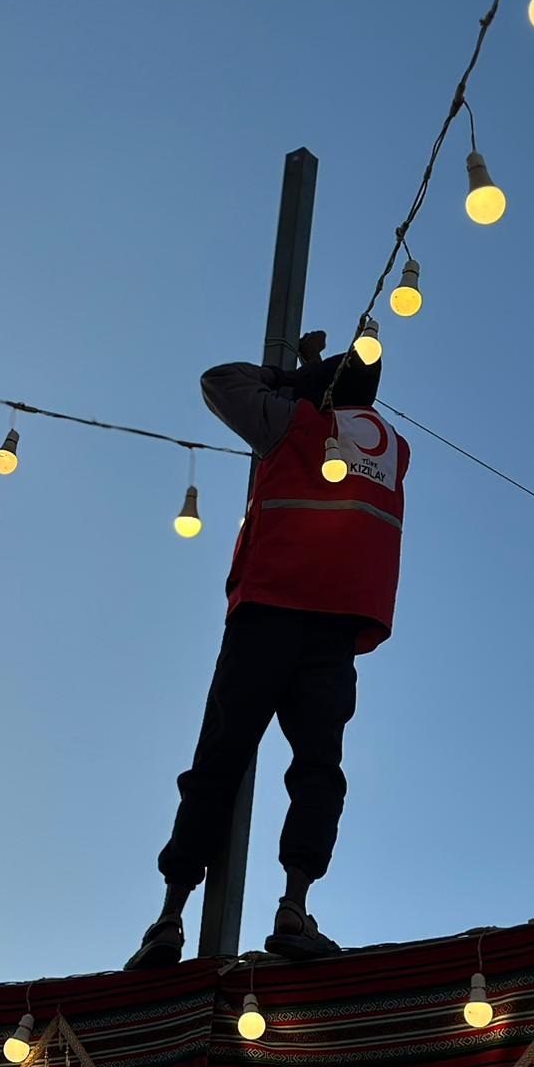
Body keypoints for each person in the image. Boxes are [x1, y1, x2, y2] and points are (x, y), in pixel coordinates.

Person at [126, 331, 410, 968]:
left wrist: (290, 377)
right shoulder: (396, 450)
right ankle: (293, 909)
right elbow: (349, 428)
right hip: (336, 628)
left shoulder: (292, 424)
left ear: (322, 393)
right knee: (317, 772)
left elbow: (219, 380)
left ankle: (169, 918)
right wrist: (317, 373)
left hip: (269, 612)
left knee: (217, 763)